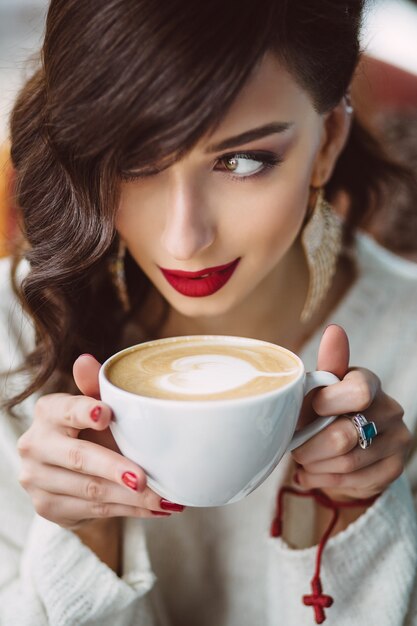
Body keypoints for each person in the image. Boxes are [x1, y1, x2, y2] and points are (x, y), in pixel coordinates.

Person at [0, 1, 416, 624]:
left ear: (327, 142)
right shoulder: (19, 322)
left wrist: (348, 520)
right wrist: (85, 534)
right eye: (135, 163)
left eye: (242, 162)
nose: (183, 238)